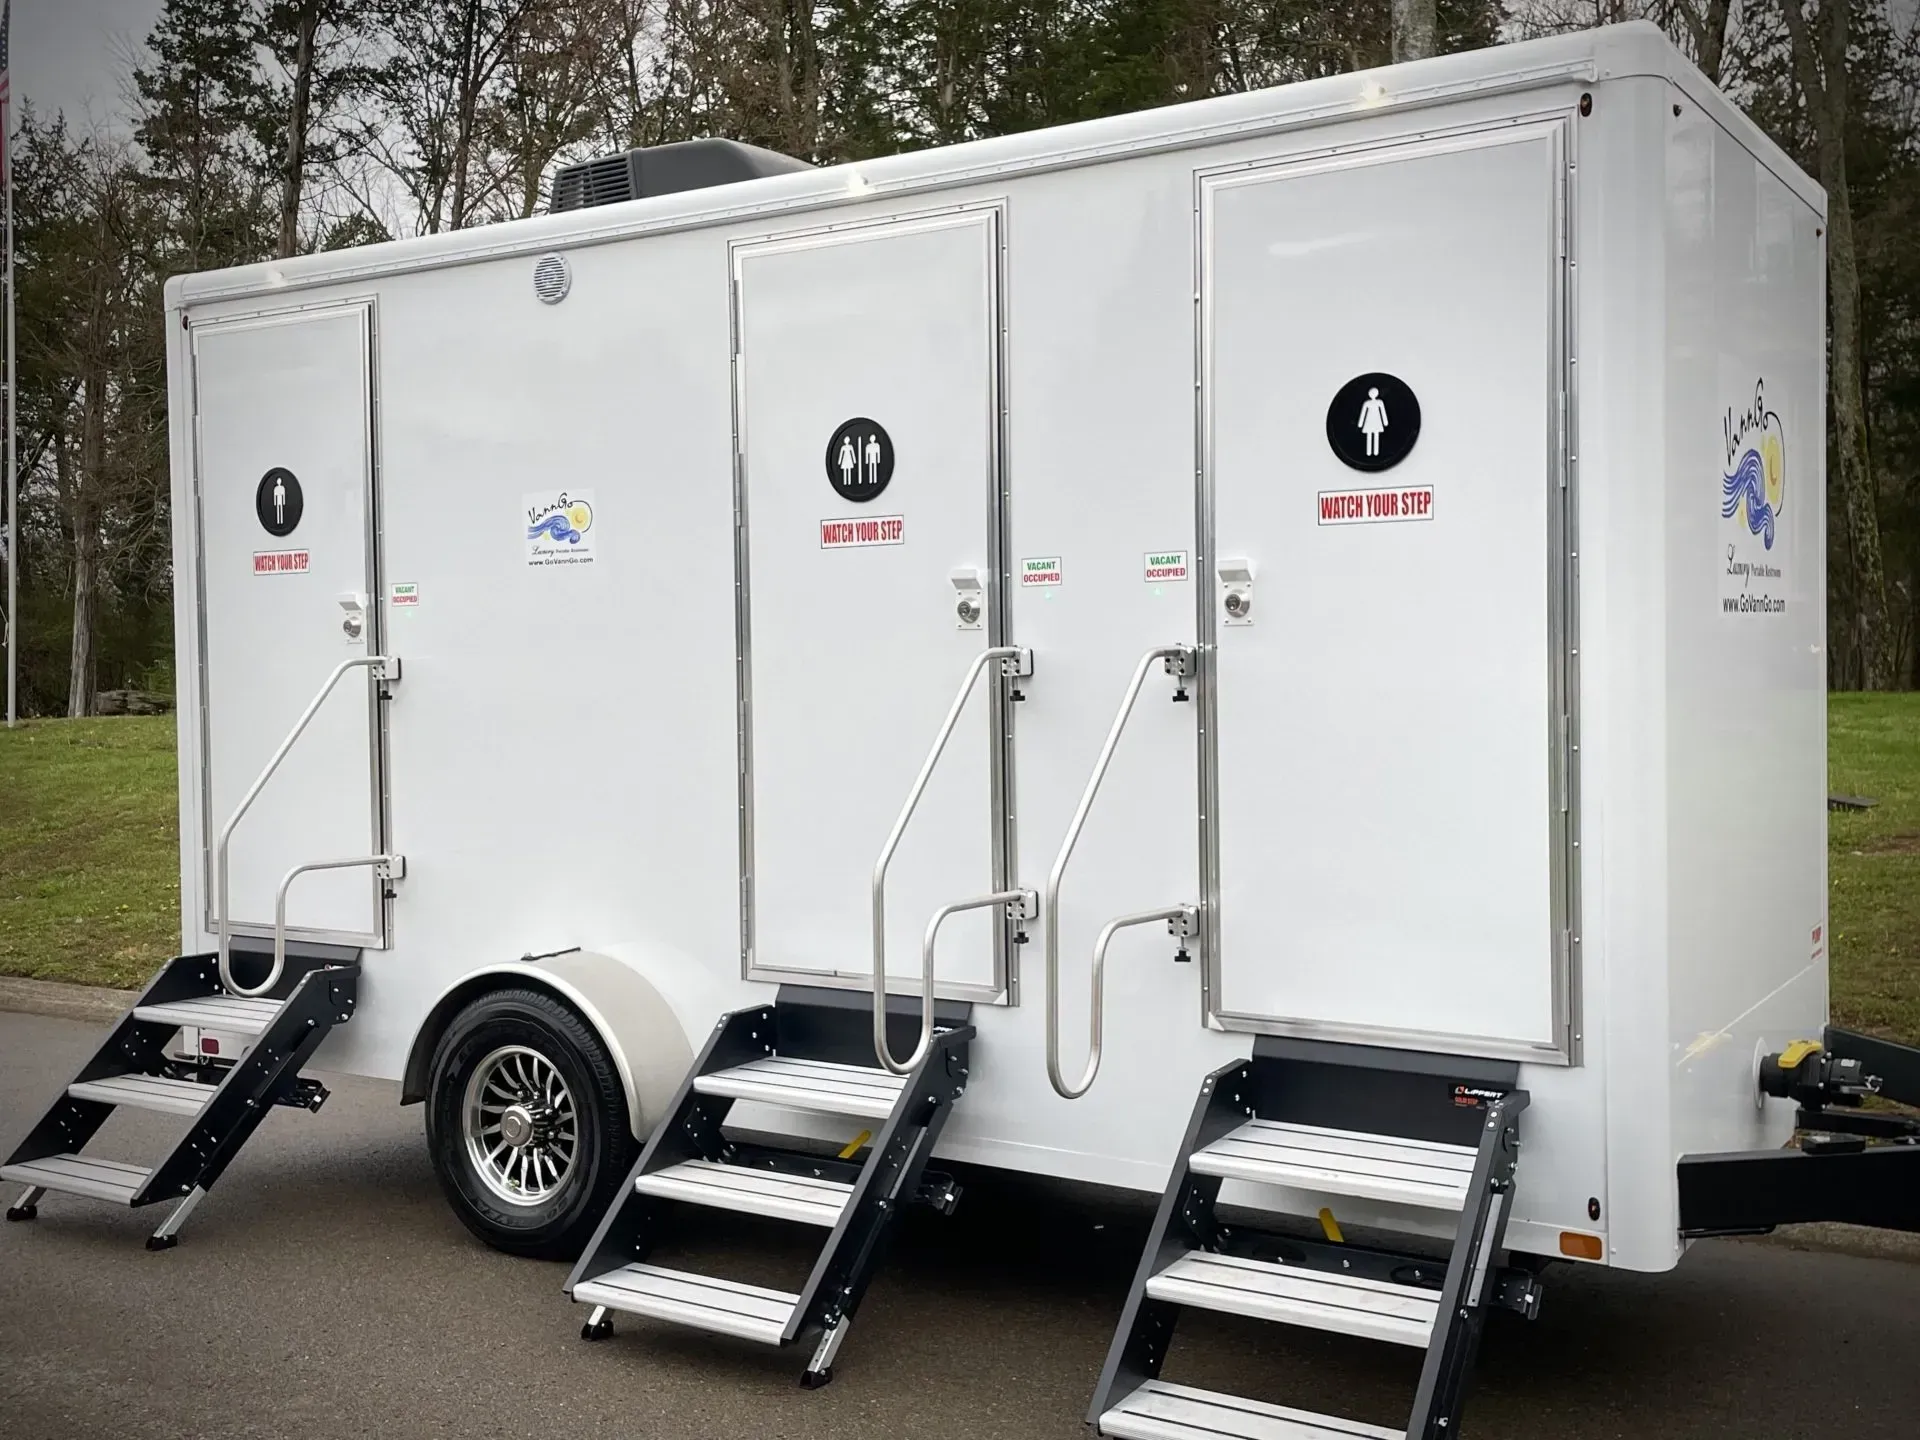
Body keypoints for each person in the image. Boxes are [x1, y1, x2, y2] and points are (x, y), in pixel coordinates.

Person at [1357, 388, 1388, 458]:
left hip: (1375, 420)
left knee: (1373, 435)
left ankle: (1374, 452)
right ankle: (1370, 452)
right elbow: (1363, 413)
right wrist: (1360, 423)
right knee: (1372, 435)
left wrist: (1385, 421)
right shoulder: (1368, 403)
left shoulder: (1378, 402)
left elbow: (1383, 412)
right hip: (1371, 421)